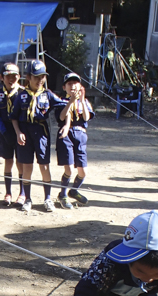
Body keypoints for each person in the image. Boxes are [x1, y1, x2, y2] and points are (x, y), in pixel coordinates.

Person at [10, 60, 65, 213]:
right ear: (28, 77)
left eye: (42, 77)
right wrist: (18, 133)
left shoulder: (48, 95)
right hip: (24, 132)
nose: (40, 80)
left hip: (41, 132)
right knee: (27, 166)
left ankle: (47, 198)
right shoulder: (21, 96)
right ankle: (27, 198)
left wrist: (73, 100)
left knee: (44, 165)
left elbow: (62, 105)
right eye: (36, 77)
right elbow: (13, 117)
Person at [55, 72, 94, 209]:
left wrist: (81, 100)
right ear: (64, 87)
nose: (72, 86)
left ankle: (74, 190)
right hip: (66, 135)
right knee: (70, 169)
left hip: (81, 135)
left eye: (75, 83)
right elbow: (61, 116)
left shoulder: (84, 101)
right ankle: (63, 194)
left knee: (83, 171)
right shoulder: (61, 100)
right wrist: (70, 101)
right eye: (69, 84)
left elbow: (87, 117)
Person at [0, 63, 26, 206]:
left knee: (20, 162)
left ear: (18, 77)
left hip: (20, 132)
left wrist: (22, 132)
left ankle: (22, 193)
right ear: (2, 77)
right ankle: (8, 193)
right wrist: (4, 132)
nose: (11, 79)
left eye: (14, 76)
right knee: (8, 161)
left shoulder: (23, 93)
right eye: (8, 76)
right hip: (5, 132)